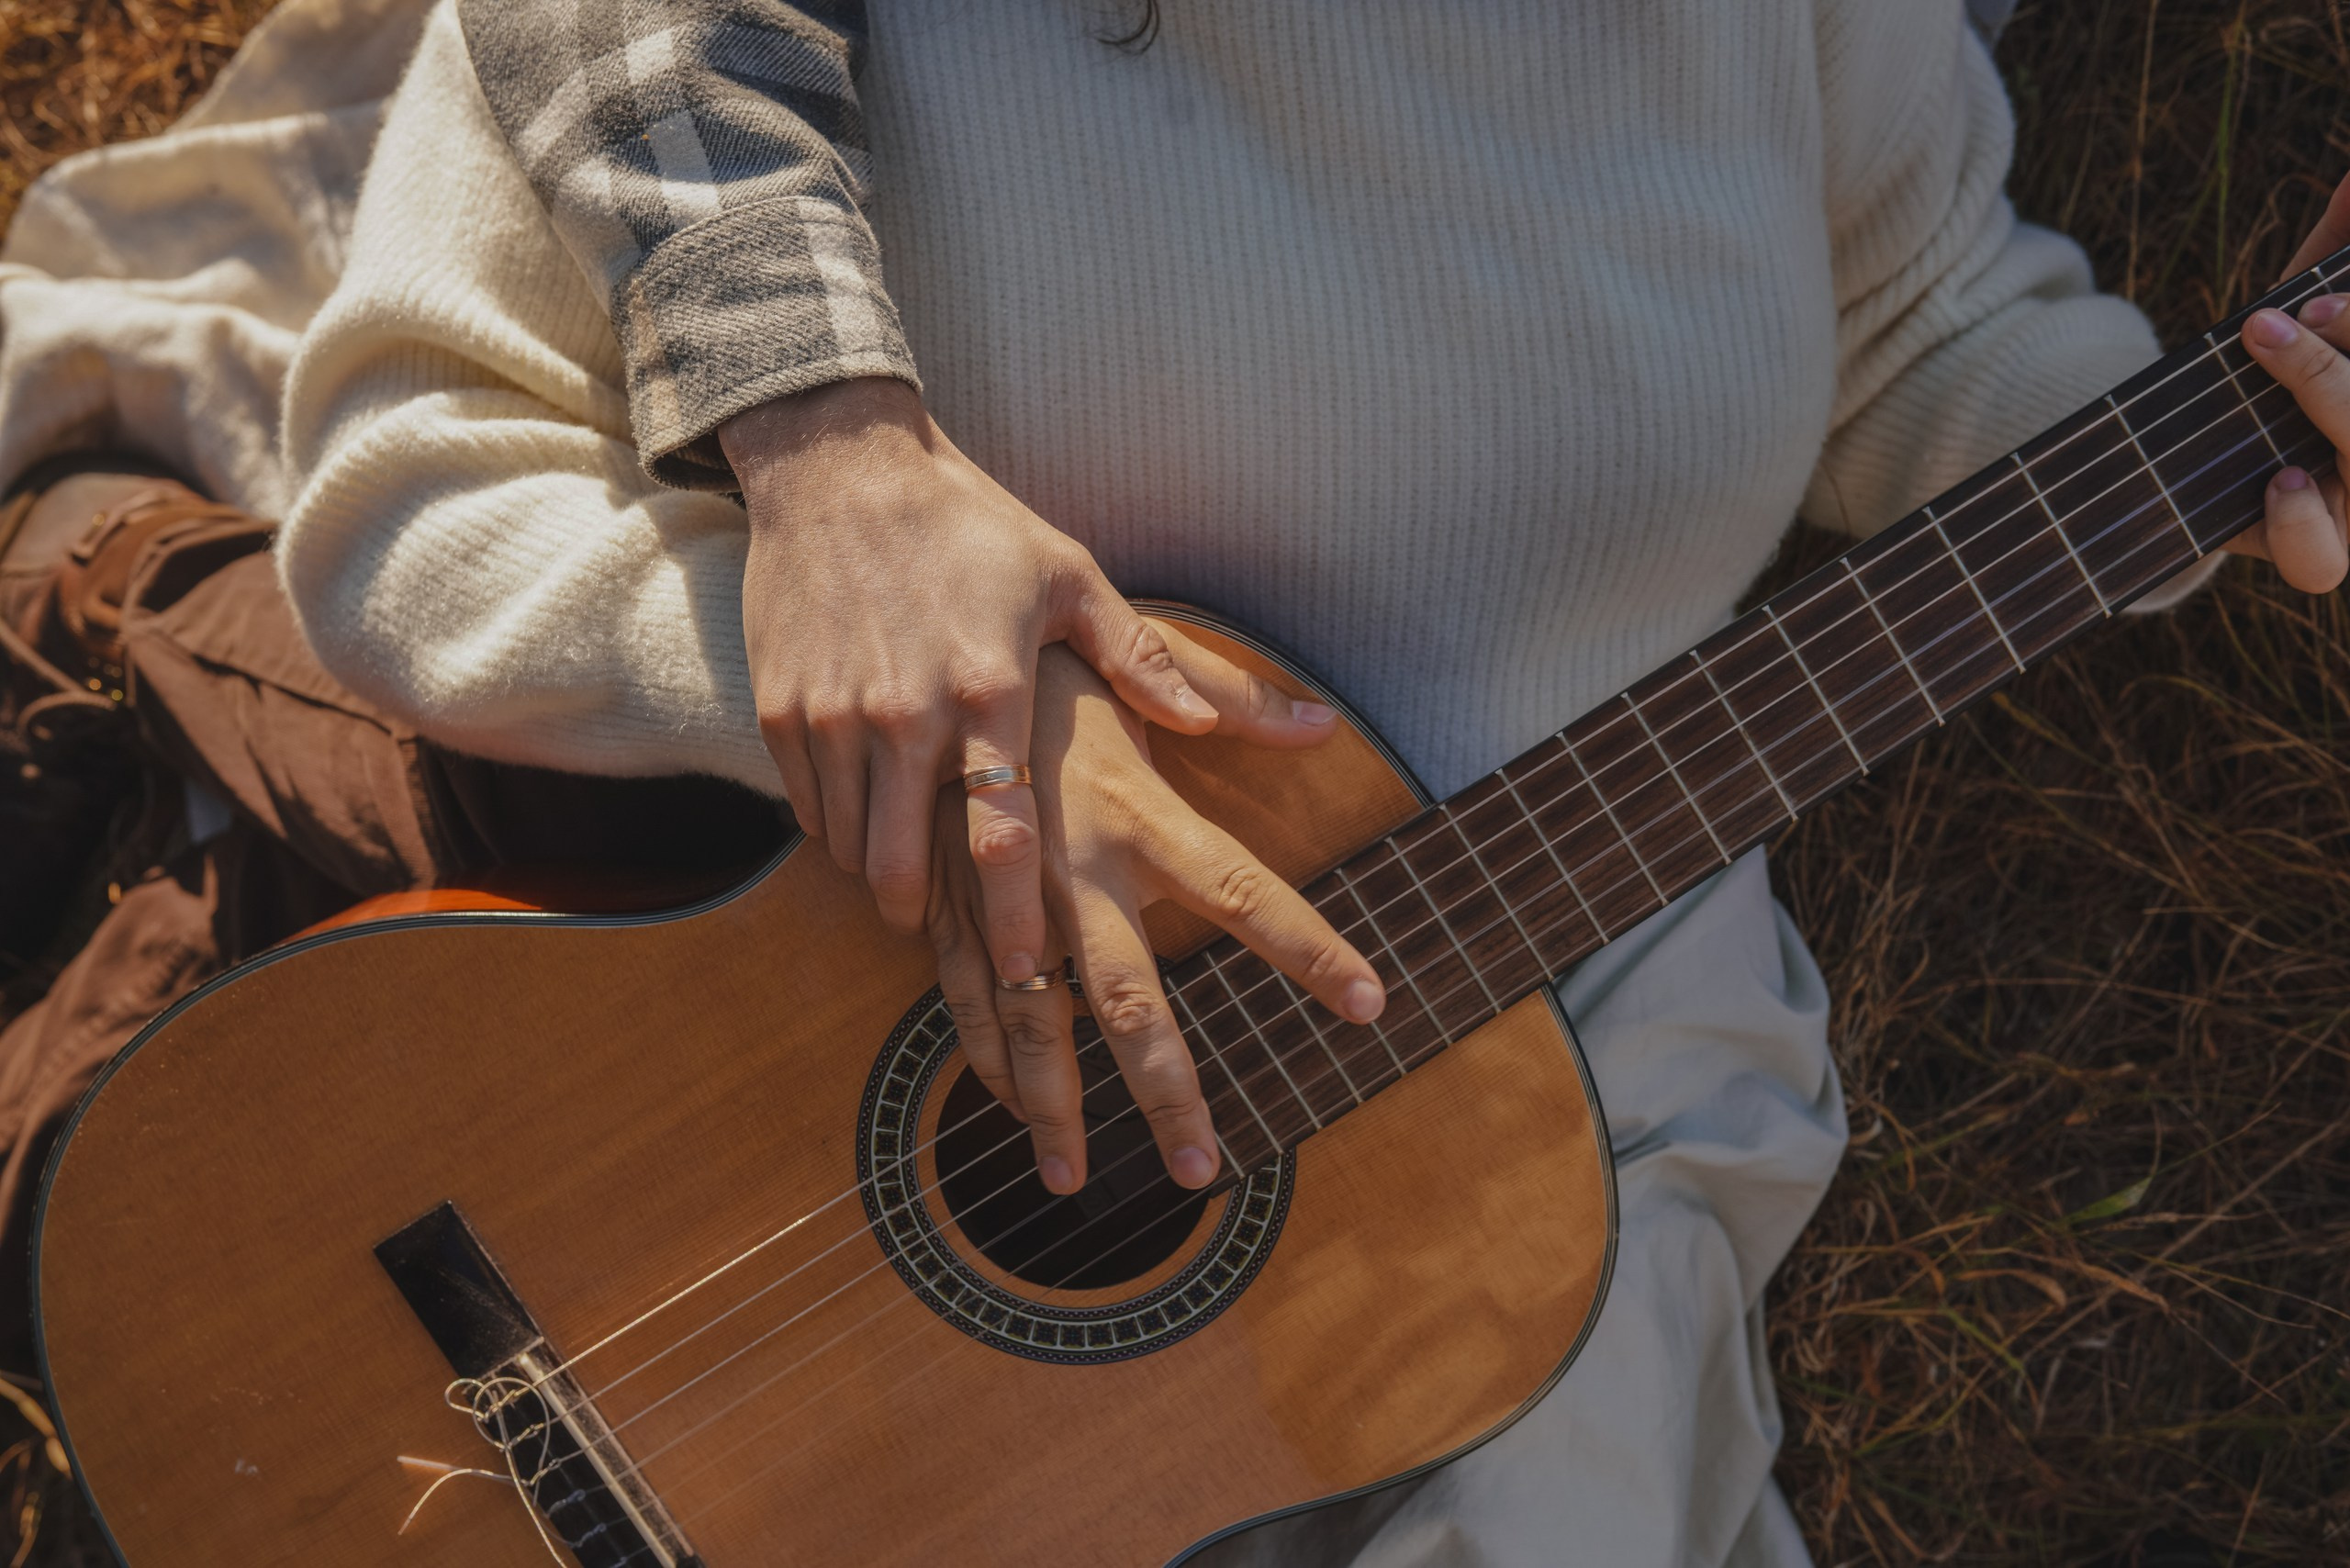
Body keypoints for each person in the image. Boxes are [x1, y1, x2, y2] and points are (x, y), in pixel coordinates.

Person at [4, 0, 2348, 1562]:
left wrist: (2219, 436)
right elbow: (415, 504)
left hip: (1524, 1045)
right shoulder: (679, 56)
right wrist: (900, 699)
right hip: (747, 1030)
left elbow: (1920, 322)